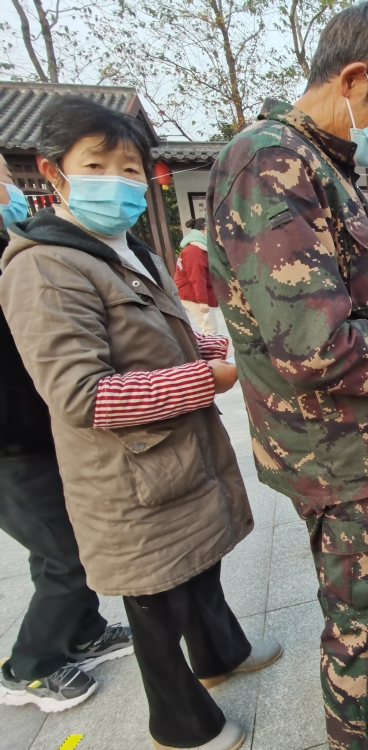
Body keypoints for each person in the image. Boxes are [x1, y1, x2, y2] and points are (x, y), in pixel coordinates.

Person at [206, 5, 368, 748]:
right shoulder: (271, 163)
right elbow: (311, 345)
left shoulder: (322, 162)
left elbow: (331, 304)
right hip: (338, 453)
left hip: (350, 446)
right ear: (356, 81)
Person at [0, 95, 276, 750]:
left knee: (199, 565)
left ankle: (220, 655)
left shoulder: (131, 250)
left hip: (177, 453)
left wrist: (219, 349)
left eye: (128, 169)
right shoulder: (44, 267)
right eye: (96, 164)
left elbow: (163, 336)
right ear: (55, 171)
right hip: (127, 473)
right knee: (156, 603)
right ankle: (179, 723)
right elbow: (83, 394)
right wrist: (204, 380)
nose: (116, 183)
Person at [0, 153, 134, 715]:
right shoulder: (29, 266)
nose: (7, 194)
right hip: (11, 444)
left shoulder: (17, 255)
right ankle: (27, 667)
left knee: (55, 544)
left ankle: (81, 631)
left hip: (41, 430)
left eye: (4, 182)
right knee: (68, 555)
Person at [173, 217, 219, 334]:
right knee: (209, 329)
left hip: (193, 294)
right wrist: (202, 301)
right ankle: (211, 352)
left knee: (210, 328)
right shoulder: (195, 251)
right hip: (192, 295)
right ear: (203, 231)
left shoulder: (197, 248)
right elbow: (197, 278)